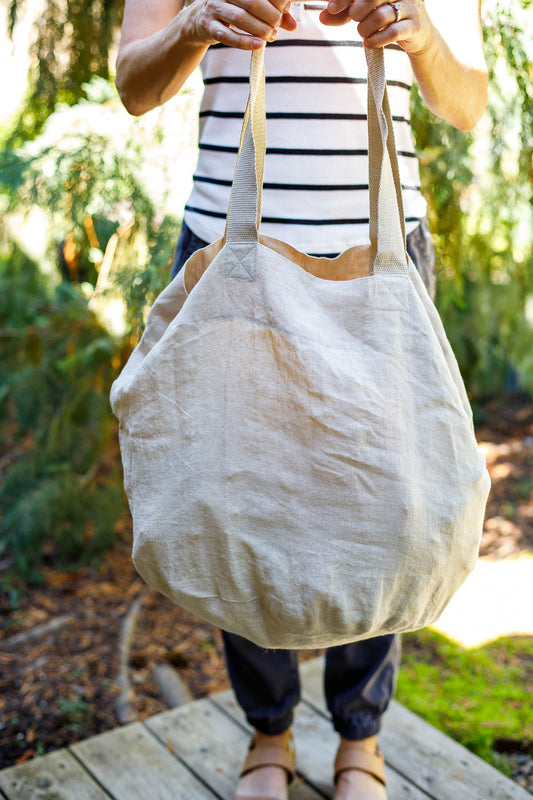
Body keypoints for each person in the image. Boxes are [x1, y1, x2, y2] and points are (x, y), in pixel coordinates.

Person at [115, 0, 487, 797]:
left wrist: (418, 32)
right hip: (228, 251)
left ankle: (362, 737)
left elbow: (466, 103)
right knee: (236, 503)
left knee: (386, 502)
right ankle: (268, 731)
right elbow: (134, 87)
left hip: (379, 248)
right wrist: (193, 24)